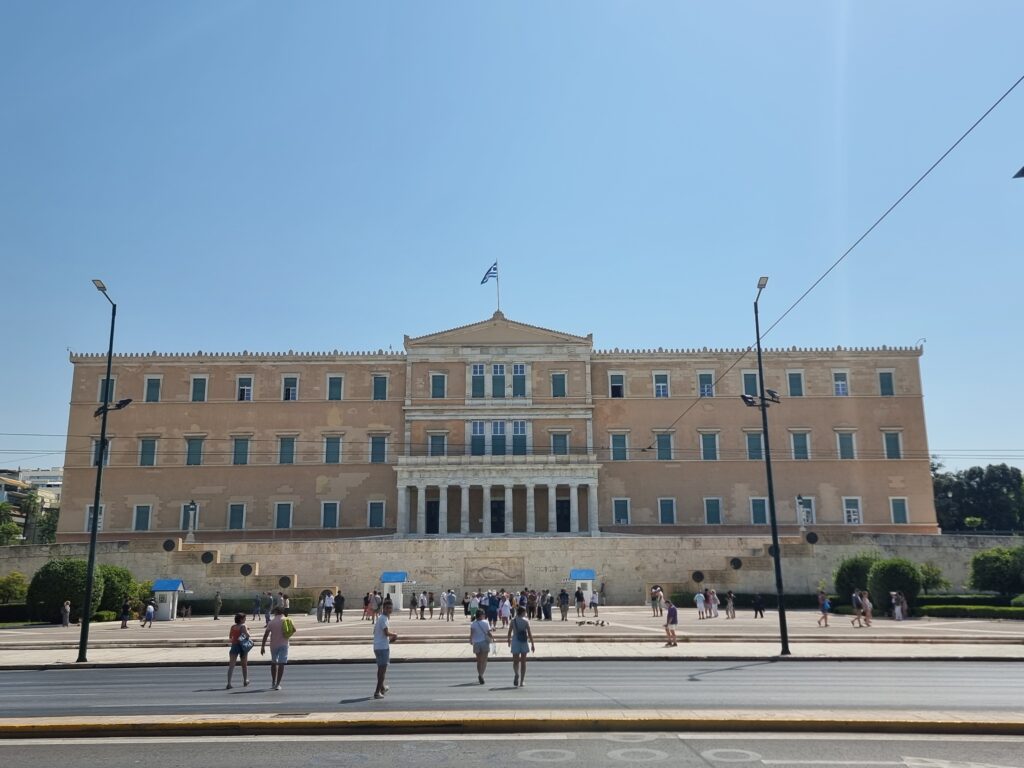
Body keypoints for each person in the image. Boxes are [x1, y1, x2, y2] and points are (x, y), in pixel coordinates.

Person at [373, 599, 398, 699]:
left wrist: (389, 640)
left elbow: (376, 633)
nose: (389, 610)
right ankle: (377, 692)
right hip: (382, 648)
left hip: (378, 646)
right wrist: (395, 634)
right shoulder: (383, 619)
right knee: (382, 671)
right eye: (387, 608)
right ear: (384, 608)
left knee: (380, 670)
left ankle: (382, 688)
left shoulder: (381, 618)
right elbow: (386, 633)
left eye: (390, 608)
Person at [261, 607, 290, 690]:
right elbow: (293, 630)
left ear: (276, 612)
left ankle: (273, 682)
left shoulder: (271, 622)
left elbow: (266, 634)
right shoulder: (287, 620)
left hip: (273, 645)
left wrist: (262, 646)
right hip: (284, 644)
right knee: (281, 664)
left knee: (274, 663)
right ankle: (278, 684)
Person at [507, 605, 535, 687]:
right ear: (523, 612)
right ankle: (522, 681)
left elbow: (509, 631)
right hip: (523, 641)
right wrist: (533, 644)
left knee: (515, 661)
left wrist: (508, 640)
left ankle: (516, 673)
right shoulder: (526, 621)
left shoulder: (513, 620)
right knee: (523, 662)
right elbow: (529, 633)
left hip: (515, 640)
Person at [226, 612, 251, 689]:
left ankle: (229, 683)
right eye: (244, 618)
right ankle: (245, 680)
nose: (245, 620)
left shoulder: (233, 626)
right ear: (241, 619)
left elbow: (230, 636)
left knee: (231, 666)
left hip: (234, 646)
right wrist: (248, 630)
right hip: (242, 646)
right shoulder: (243, 626)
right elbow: (248, 635)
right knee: (244, 665)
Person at [469, 608, 494, 685]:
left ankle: (480, 674)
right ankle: (481, 675)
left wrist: (471, 640)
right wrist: (493, 638)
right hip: (484, 642)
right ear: (482, 615)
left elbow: (471, 634)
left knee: (479, 660)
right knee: (484, 660)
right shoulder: (485, 622)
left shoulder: (473, 623)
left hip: (476, 643)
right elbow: (488, 633)